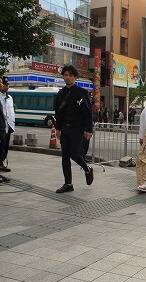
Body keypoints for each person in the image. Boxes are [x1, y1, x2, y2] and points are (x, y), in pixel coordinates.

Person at [54, 65, 94, 193]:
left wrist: (89, 130)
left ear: (75, 77)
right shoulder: (61, 93)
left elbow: (88, 113)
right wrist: (58, 128)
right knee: (65, 156)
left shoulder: (82, 92)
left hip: (78, 129)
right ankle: (68, 184)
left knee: (75, 154)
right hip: (64, 128)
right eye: (66, 75)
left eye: (71, 75)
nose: (68, 77)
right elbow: (58, 113)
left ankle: (87, 169)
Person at [0, 77, 15, 173]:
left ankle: (2, 162)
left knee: (5, 146)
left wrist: (12, 124)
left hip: (9, 126)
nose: (7, 87)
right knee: (1, 146)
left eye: (8, 85)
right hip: (1, 126)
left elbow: (11, 111)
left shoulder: (10, 98)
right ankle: (0, 164)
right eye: (5, 85)